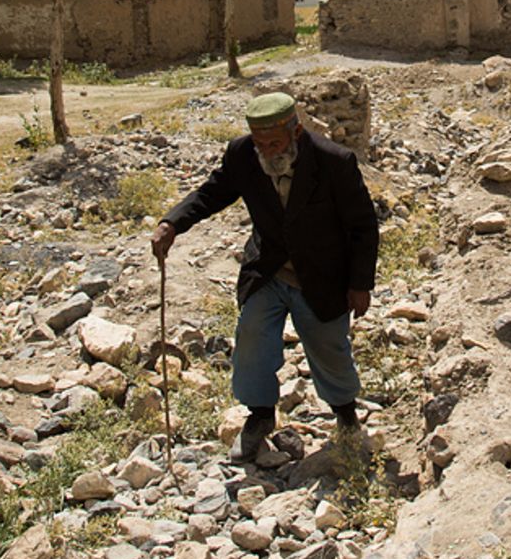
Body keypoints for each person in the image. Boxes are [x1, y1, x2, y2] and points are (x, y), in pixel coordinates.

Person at [152, 91, 379, 461]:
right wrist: (172, 223)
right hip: (269, 268)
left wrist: (359, 284)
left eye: (275, 143)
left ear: (296, 132)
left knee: (328, 347)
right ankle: (259, 416)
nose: (268, 151)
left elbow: (363, 226)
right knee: (252, 337)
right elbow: (212, 193)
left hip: (322, 275)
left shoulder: (334, 162)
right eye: (261, 144)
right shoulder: (243, 155)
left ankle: (345, 416)